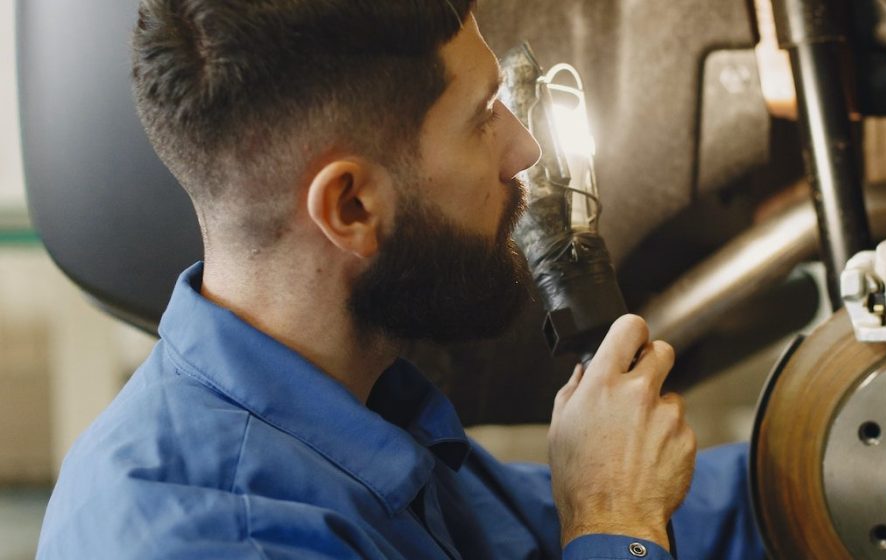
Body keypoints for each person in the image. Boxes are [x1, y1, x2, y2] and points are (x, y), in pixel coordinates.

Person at [37, 1, 763, 558]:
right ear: (351, 205)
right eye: (482, 118)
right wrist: (615, 522)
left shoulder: (362, 407)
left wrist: (826, 451)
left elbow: (593, 518)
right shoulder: (230, 537)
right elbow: (607, 517)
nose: (523, 147)